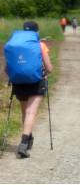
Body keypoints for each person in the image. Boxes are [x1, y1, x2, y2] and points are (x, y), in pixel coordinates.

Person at [4, 21, 53, 158]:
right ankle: (24, 143)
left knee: (25, 111)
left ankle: (28, 138)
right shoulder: (40, 45)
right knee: (31, 112)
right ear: (36, 32)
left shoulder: (15, 46)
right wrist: (45, 73)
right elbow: (49, 68)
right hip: (36, 82)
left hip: (19, 83)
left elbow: (7, 69)